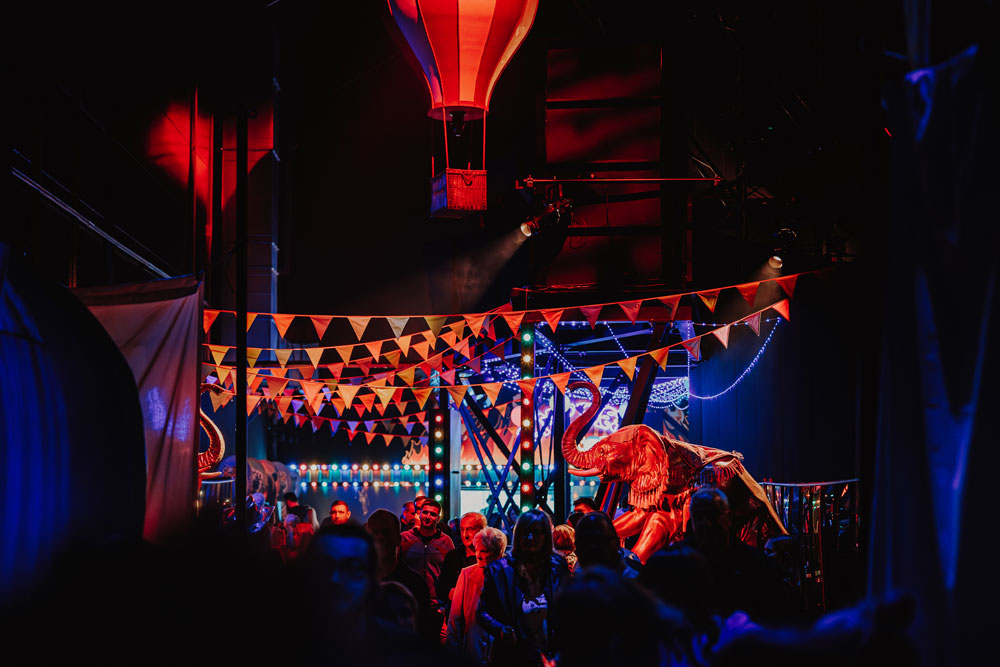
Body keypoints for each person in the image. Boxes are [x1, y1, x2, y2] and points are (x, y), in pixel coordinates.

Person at [477, 509, 571, 666]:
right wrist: (501, 630)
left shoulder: (558, 567)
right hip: (511, 656)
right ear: (517, 535)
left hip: (549, 656)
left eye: (536, 533)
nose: (530, 538)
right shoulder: (499, 570)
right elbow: (482, 612)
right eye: (525, 532)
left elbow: (569, 611)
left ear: (546, 536)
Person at [684, 487, 788, 622]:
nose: (706, 523)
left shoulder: (758, 565)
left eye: (713, 515)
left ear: (728, 518)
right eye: (699, 517)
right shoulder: (674, 563)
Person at [365, 509, 435, 640]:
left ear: (398, 538)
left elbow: (422, 633)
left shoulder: (415, 584)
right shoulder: (358, 581)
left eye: (386, 532)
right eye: (375, 532)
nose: (380, 537)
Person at [447, 527, 508, 665]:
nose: (478, 555)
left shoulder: (510, 575)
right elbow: (455, 619)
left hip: (501, 652)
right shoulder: (467, 574)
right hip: (472, 651)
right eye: (476, 550)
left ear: (499, 553)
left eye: (484, 551)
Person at [400, 498, 455, 598]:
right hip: (410, 598)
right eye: (425, 512)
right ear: (419, 514)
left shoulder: (446, 541)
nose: (428, 517)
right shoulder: (404, 538)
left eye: (433, 514)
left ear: (438, 519)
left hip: (436, 601)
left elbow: (452, 574)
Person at [437, 512, 487, 602]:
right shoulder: (452, 556)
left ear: (482, 530)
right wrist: (450, 593)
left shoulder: (492, 556)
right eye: (462, 530)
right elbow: (440, 588)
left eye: (470, 529)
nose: (465, 535)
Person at [574, 512, 642, 578]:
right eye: (584, 545)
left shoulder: (637, 575)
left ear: (617, 542)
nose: (593, 549)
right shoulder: (574, 581)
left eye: (600, 541)